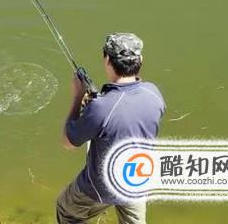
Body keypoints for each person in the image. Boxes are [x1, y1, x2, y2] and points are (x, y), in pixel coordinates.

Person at [56, 33, 166, 224]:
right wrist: (98, 104)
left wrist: (78, 97)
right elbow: (125, 113)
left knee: (66, 211)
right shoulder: (154, 94)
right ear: (140, 60)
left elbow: (68, 142)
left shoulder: (101, 108)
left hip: (100, 188)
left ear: (107, 59)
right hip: (137, 181)